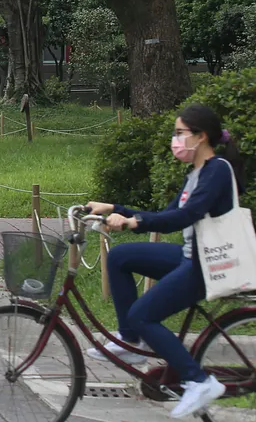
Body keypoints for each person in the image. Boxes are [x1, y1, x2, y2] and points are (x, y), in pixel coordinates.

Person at [84, 103, 246, 419]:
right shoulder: (197, 174)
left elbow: (185, 217)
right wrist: (113, 207)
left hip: (206, 265)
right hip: (189, 256)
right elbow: (164, 215)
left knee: (143, 314)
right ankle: (129, 340)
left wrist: (132, 224)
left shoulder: (217, 170)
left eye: (180, 133)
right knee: (120, 257)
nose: (175, 139)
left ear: (200, 136)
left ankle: (199, 382)